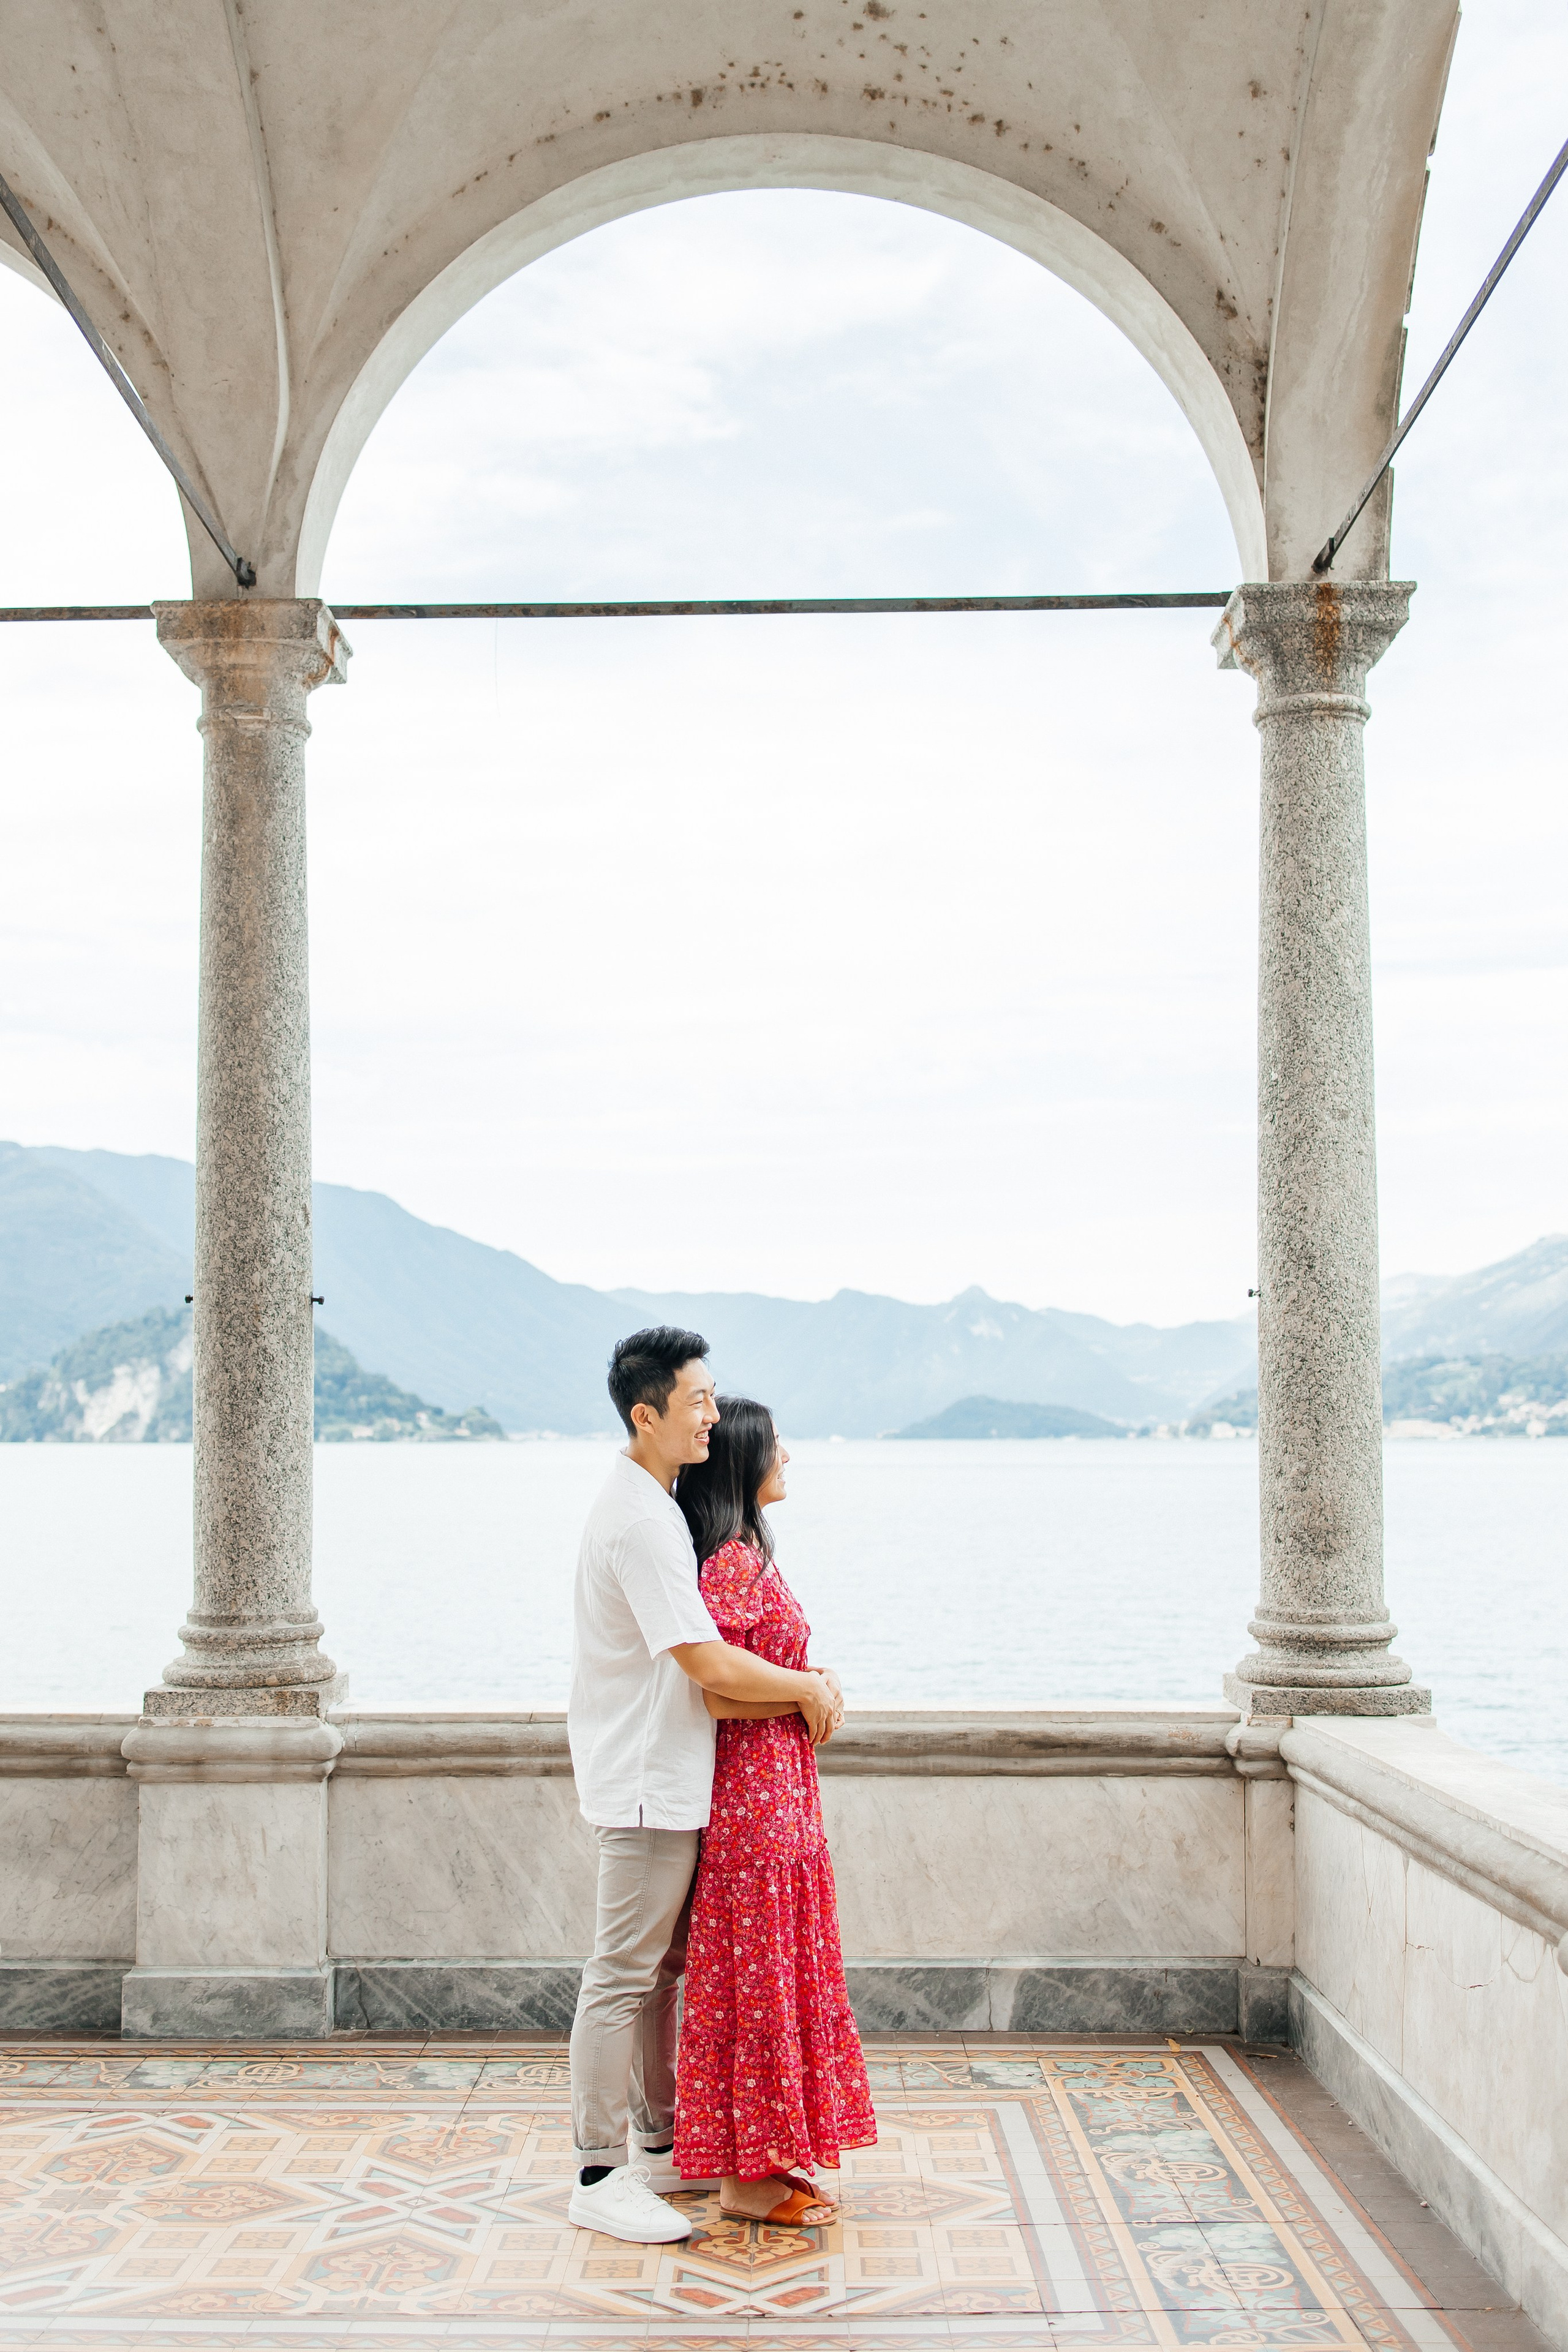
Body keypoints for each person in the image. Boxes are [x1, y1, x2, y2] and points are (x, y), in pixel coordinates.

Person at [566, 1328, 839, 2247]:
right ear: (648, 1415)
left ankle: (659, 2142)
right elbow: (703, 1660)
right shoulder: (645, 1522)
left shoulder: (649, 1505)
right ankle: (600, 2172)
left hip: (666, 1777)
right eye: (697, 1403)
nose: (713, 1418)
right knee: (621, 1977)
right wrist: (806, 1687)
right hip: (647, 1779)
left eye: (715, 1400)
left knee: (659, 1976)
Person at [672, 1395, 876, 2223]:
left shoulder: (750, 1552)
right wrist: (805, 1695)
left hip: (780, 1799)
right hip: (753, 1803)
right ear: (743, 1460)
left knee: (775, 1979)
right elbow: (717, 1690)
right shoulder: (725, 1560)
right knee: (754, 1985)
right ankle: (744, 2182)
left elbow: (760, 1668)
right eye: (777, 1447)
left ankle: (765, 2157)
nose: (787, 1458)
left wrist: (814, 1685)